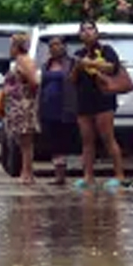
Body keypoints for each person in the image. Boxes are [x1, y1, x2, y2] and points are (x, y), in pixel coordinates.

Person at [72, 20, 128, 191]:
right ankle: (88, 176)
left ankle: (119, 175)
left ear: (97, 33)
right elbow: (72, 79)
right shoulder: (78, 53)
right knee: (87, 140)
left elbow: (112, 68)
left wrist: (90, 63)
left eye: (91, 29)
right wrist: (78, 67)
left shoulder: (106, 50)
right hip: (84, 101)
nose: (87, 32)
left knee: (107, 138)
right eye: (84, 30)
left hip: (103, 100)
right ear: (80, 35)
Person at [1, 32, 40, 184]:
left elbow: (35, 82)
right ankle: (26, 172)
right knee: (20, 140)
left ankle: (28, 173)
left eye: (12, 45)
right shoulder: (17, 61)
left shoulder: (25, 61)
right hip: (15, 105)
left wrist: (26, 94)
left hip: (24, 104)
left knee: (26, 141)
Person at [38, 36, 78, 186]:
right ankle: (59, 175)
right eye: (51, 46)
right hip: (48, 109)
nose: (54, 48)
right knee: (54, 143)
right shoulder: (46, 65)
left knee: (66, 141)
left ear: (64, 47)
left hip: (66, 107)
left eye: (57, 45)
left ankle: (76, 172)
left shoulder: (72, 63)